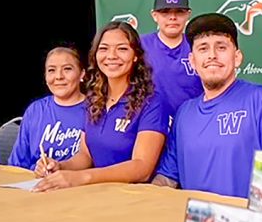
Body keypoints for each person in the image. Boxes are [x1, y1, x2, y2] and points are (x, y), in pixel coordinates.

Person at [153, 13, 262, 198]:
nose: (212, 56)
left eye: (221, 47)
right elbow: (167, 178)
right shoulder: (184, 113)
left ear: (237, 57)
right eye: (203, 48)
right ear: (192, 61)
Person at [33, 21, 168, 192]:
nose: (111, 55)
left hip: (133, 200)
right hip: (96, 196)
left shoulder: (152, 103)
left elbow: (142, 168)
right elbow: (86, 155)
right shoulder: (93, 100)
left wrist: (84, 177)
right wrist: (60, 166)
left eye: (122, 49)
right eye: (104, 49)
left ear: (135, 56)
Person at [8, 46, 86, 170]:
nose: (59, 76)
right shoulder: (35, 110)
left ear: (82, 73)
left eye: (67, 69)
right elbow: (17, 164)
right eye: (51, 70)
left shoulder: (95, 110)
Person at [141, 0, 203, 120]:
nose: (172, 17)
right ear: (154, 15)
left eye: (179, 12)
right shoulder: (140, 46)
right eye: (165, 12)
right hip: (151, 123)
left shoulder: (199, 45)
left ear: (188, 14)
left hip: (193, 121)